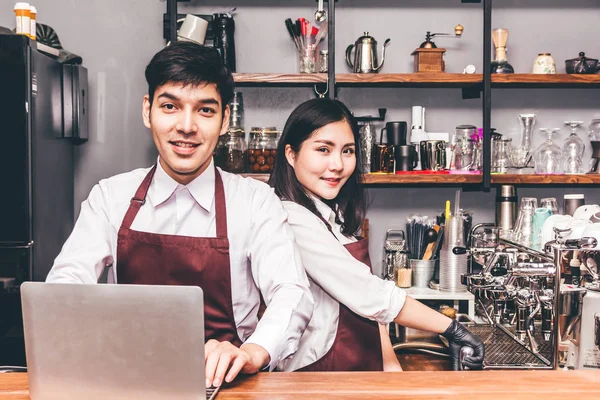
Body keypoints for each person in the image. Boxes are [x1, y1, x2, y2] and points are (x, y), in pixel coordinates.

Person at [46, 41, 314, 387]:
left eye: (205, 110)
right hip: (124, 383)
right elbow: (65, 285)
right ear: (148, 111)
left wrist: (252, 352)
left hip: (229, 387)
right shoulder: (110, 197)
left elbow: (291, 291)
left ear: (225, 120)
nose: (186, 126)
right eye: (170, 106)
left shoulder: (255, 201)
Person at [269, 98, 484, 372]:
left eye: (347, 151)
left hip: (357, 369)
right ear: (291, 154)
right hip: (318, 377)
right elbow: (369, 294)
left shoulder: (331, 216)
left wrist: (392, 370)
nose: (337, 164)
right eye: (323, 149)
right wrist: (452, 328)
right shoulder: (291, 217)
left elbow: (370, 307)